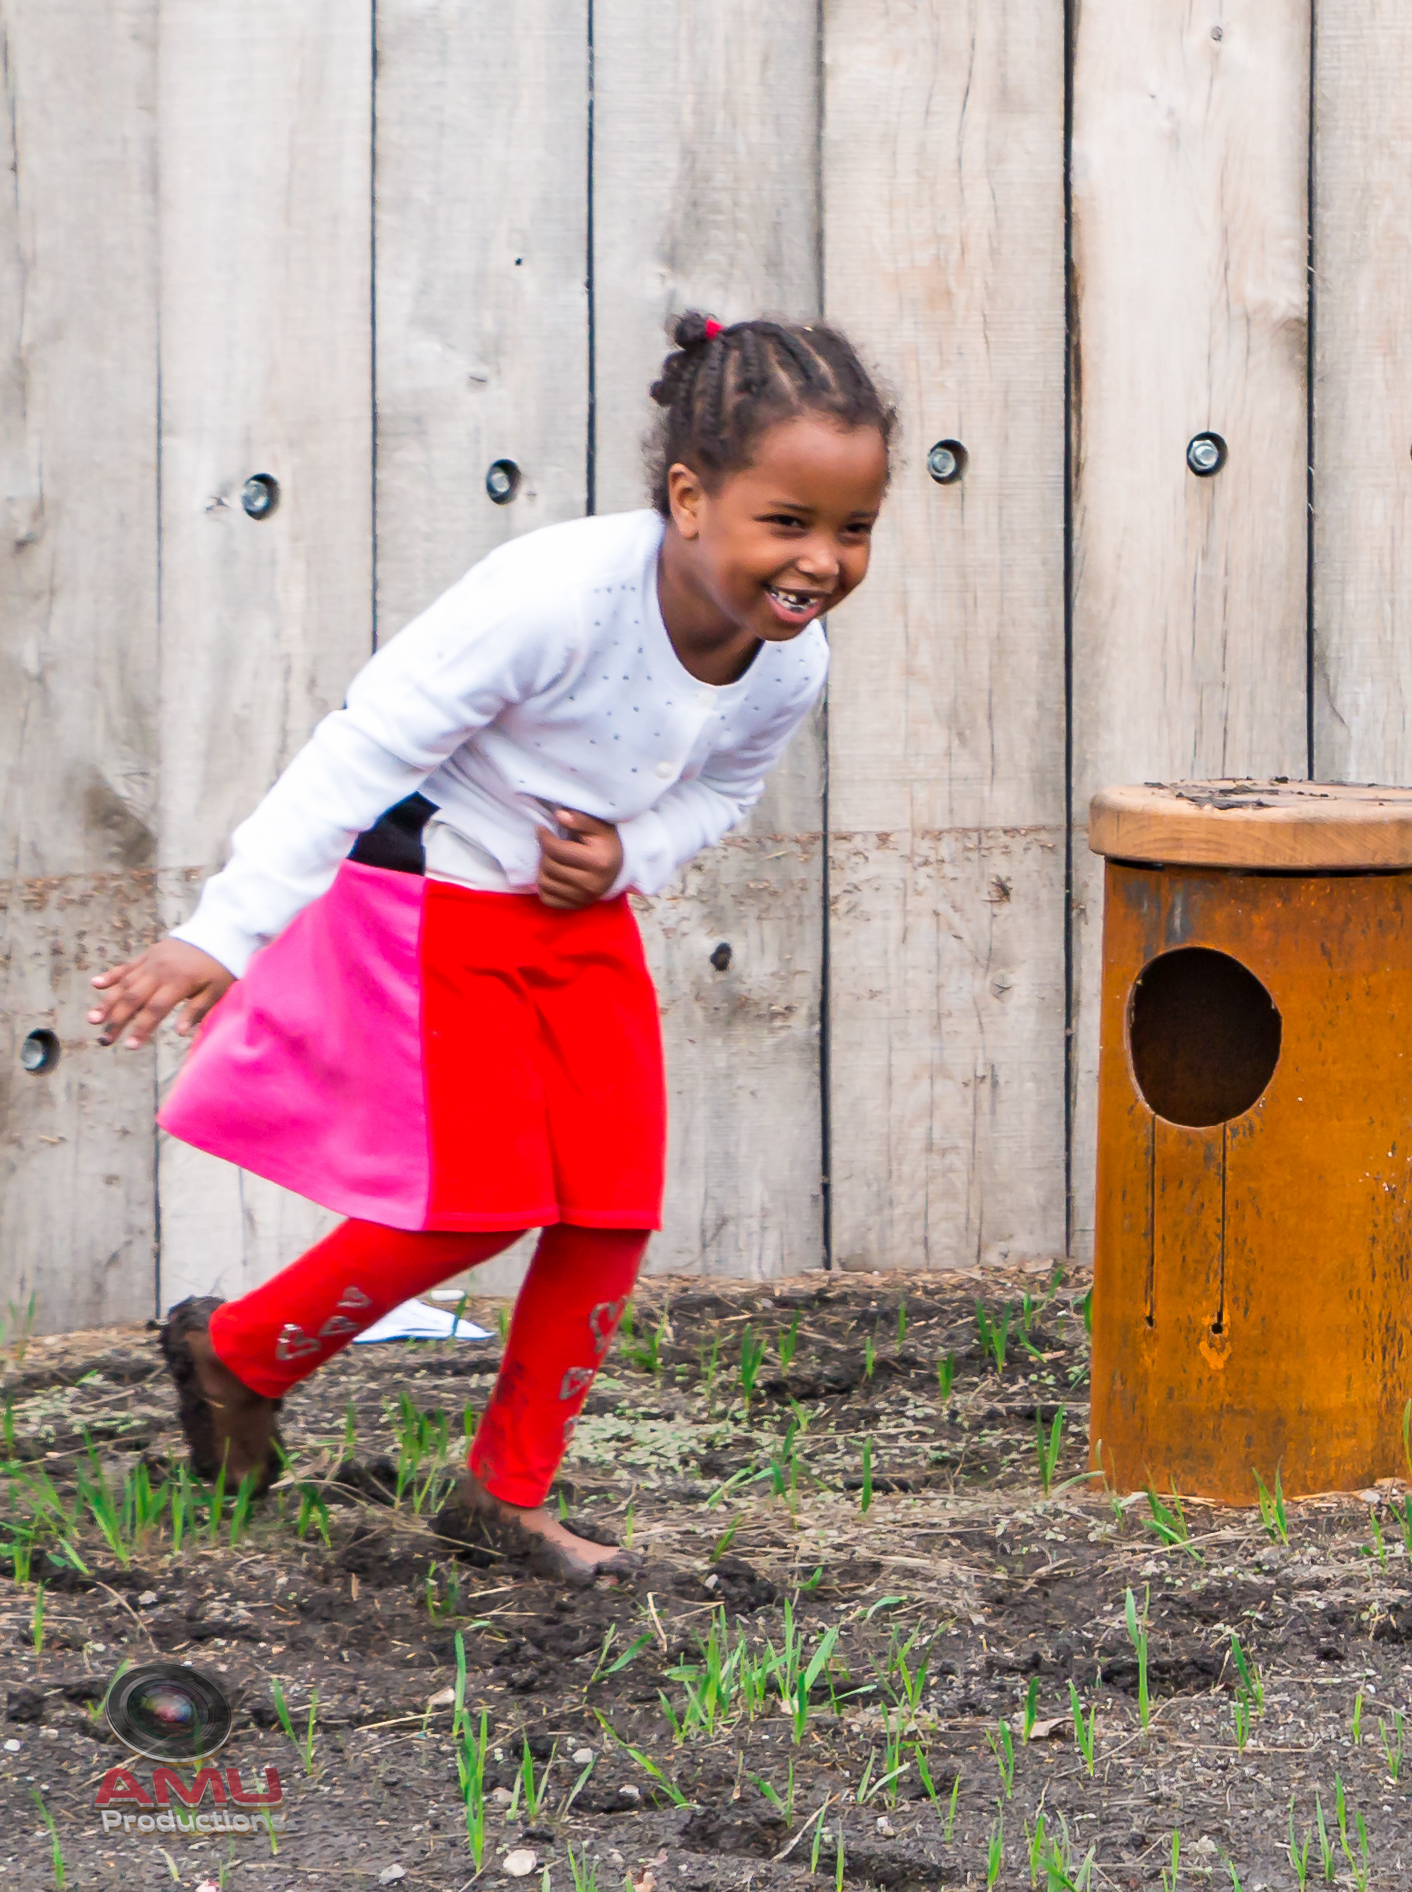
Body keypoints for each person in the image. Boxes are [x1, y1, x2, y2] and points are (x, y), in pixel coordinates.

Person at [85, 316, 893, 1574]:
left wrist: (632, 857)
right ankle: (238, 1354)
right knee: (473, 1206)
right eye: (787, 521)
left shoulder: (789, 665)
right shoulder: (553, 598)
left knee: (611, 1206)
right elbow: (366, 747)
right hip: (434, 906)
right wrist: (221, 929)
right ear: (690, 496)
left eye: (853, 530)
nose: (823, 562)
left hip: (578, 920)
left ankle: (506, 1491)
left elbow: (720, 792)